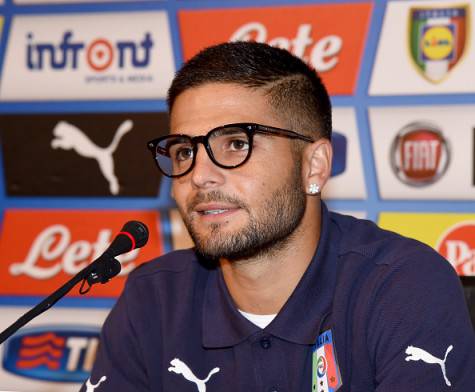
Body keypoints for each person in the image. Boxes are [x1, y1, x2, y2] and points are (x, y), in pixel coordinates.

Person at [81, 42, 475, 392]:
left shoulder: (403, 286)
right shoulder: (153, 297)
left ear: (314, 167)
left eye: (236, 144)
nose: (198, 175)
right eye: (184, 151)